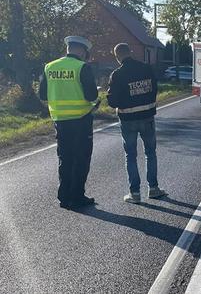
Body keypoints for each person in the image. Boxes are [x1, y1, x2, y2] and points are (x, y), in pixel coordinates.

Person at [39, 36, 99, 209]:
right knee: (81, 159)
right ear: (82, 50)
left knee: (64, 158)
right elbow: (91, 96)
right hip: (81, 121)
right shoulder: (82, 67)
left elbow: (43, 95)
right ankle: (77, 196)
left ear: (68, 48)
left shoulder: (49, 67)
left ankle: (64, 196)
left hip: (60, 121)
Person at [107, 43, 167, 204]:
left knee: (131, 156)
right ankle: (153, 188)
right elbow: (155, 89)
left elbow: (112, 101)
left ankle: (134, 193)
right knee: (150, 153)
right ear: (130, 52)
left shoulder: (117, 74)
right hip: (147, 117)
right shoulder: (146, 68)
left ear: (117, 56)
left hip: (127, 120)